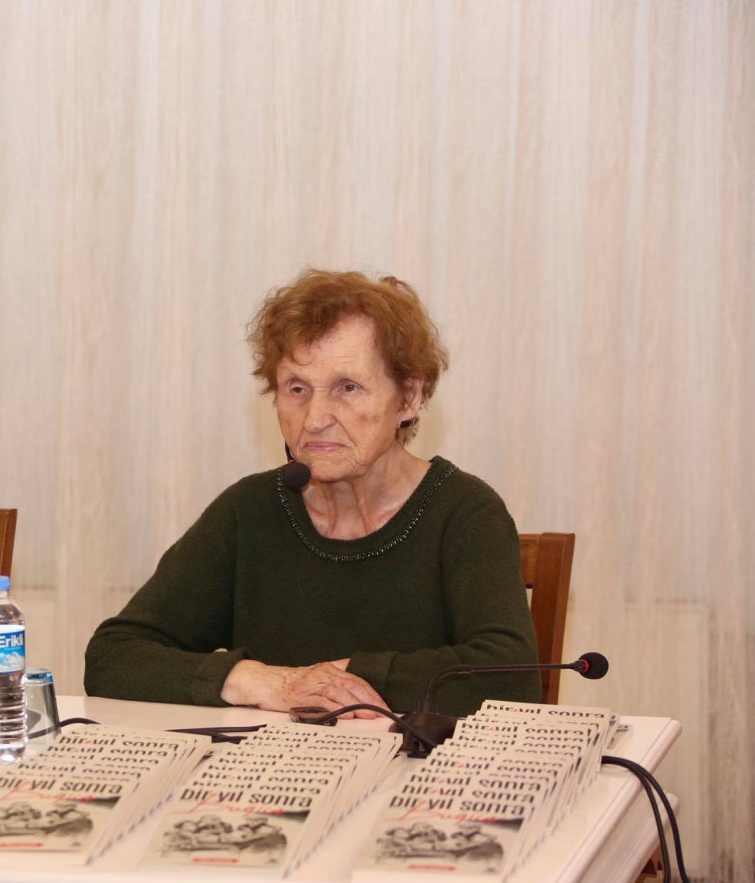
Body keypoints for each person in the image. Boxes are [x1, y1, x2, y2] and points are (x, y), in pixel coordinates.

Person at [84, 269, 540, 718]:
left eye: (348, 387)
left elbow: (511, 679)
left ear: (409, 398)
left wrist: (340, 678)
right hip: (270, 766)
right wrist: (264, 682)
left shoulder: (464, 512)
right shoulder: (251, 510)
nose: (316, 418)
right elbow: (114, 657)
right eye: (297, 388)